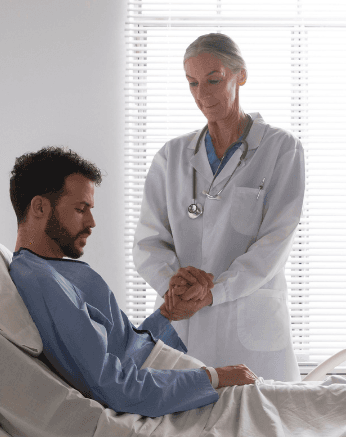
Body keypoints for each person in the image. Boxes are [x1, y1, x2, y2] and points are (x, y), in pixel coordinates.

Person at [6, 146, 257, 417]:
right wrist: (214, 377)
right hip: (165, 388)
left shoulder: (55, 271)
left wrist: (166, 314)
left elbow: (120, 349)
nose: (91, 222)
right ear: (40, 207)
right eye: (81, 209)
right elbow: (115, 385)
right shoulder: (41, 281)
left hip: (167, 377)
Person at [133, 33, 305, 382]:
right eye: (192, 83)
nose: (203, 94)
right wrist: (175, 287)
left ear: (240, 75)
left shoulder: (281, 149)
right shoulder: (172, 155)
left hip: (251, 328)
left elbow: (275, 242)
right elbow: (149, 242)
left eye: (214, 80)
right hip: (182, 325)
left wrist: (214, 291)